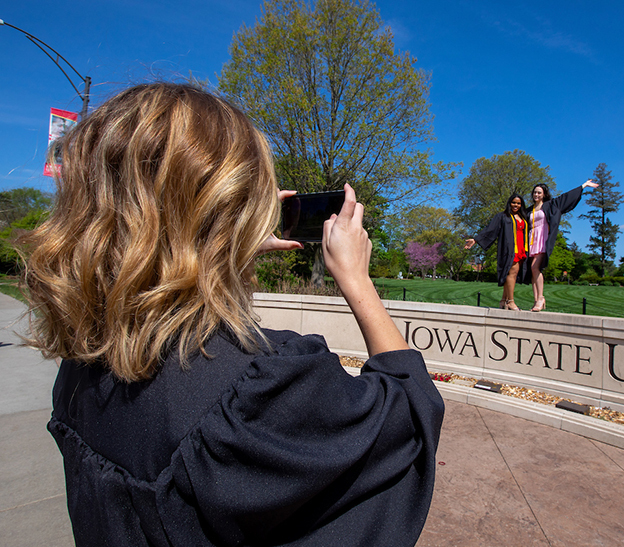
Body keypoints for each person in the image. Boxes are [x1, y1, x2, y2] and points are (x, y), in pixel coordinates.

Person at [21, 83, 444, 547]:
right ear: (227, 208)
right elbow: (408, 414)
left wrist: (223, 242)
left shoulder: (83, 364)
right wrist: (357, 280)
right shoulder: (259, 391)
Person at [526, 179, 598, 311]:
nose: (536, 195)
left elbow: (566, 197)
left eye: (539, 193)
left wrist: (583, 186)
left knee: (535, 267)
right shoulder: (529, 210)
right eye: (535, 193)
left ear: (544, 194)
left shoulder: (551, 205)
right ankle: (536, 300)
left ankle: (541, 297)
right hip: (531, 240)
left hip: (543, 239)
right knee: (532, 270)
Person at [464, 193, 529, 310]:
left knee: (513, 274)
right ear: (509, 203)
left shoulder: (523, 217)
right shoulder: (503, 216)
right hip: (509, 248)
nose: (516, 205)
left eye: (518, 203)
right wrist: (476, 239)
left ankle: (503, 301)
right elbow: (490, 229)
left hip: (521, 248)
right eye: (514, 202)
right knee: (511, 273)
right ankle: (511, 301)